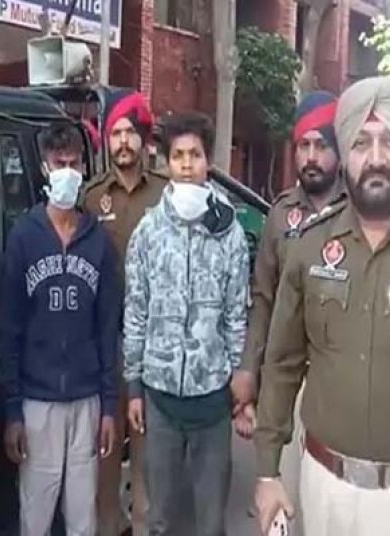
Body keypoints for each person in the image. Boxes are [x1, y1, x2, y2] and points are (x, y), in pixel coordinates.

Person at [254, 75, 390, 536]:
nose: (376, 158)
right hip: (326, 491)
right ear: (346, 154)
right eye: (361, 143)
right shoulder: (310, 246)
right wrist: (266, 473)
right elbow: (282, 364)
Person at [123, 111, 249, 535]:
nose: (187, 164)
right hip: (160, 398)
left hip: (212, 398)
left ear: (207, 162)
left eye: (195, 155)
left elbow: (236, 314)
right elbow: (136, 311)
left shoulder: (229, 233)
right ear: (167, 163)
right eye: (178, 156)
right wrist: (134, 386)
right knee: (159, 517)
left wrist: (238, 382)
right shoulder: (148, 232)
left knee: (210, 521)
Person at [0, 123, 119, 536]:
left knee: (83, 520)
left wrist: (108, 406)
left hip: (86, 399)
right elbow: (10, 329)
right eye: (58, 163)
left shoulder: (98, 240)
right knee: (35, 517)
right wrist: (13, 409)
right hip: (38, 402)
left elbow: (107, 328)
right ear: (45, 169)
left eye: (73, 163)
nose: (66, 171)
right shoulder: (24, 237)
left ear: (84, 168)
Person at [232, 91, 344, 529]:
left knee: (332, 504)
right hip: (287, 378)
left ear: (339, 150)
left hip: (337, 376)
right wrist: (248, 369)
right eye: (303, 146)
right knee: (281, 500)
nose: (311, 157)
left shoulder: (357, 211)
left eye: (321, 145)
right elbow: (263, 297)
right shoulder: (281, 215)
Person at [83, 89, 167, 536]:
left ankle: (144, 524)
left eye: (130, 132)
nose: (122, 142)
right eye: (115, 133)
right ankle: (108, 525)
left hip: (155, 340)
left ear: (144, 139)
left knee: (149, 449)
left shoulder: (166, 193)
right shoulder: (92, 197)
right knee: (107, 445)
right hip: (107, 340)